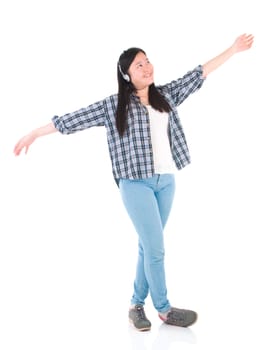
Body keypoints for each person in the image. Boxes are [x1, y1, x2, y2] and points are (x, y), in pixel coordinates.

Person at [14, 33, 254, 331]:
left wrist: (232, 49)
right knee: (156, 248)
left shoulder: (165, 96)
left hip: (166, 181)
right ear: (127, 74)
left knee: (147, 246)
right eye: (139, 64)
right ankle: (164, 310)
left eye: (148, 61)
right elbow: (72, 120)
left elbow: (199, 73)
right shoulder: (113, 105)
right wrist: (34, 133)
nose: (147, 67)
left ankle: (135, 305)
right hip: (135, 184)